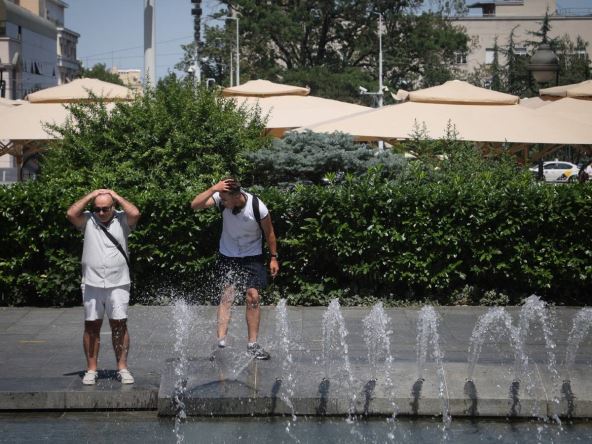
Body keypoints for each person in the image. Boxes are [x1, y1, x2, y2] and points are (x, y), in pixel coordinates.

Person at [191, 178, 279, 360]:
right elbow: (195, 205)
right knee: (227, 296)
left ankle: (252, 345)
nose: (222, 202)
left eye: (225, 200)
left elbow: (269, 232)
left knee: (253, 296)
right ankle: (221, 344)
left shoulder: (257, 207)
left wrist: (273, 257)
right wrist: (213, 188)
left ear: (237, 196)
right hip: (228, 254)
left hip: (252, 255)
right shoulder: (221, 197)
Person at [66, 189, 141, 385]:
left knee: (119, 324)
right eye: (97, 209)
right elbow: (71, 214)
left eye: (105, 209)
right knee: (92, 325)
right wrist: (91, 196)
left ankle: (122, 367)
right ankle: (91, 369)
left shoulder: (122, 219)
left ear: (113, 207)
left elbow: (135, 213)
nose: (100, 213)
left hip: (119, 282)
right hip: (92, 282)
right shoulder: (88, 220)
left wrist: (115, 195)